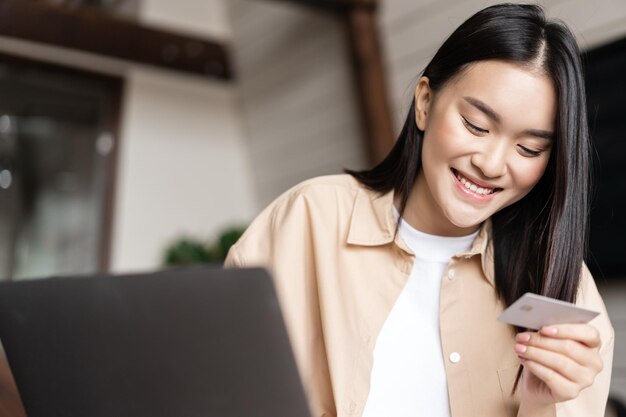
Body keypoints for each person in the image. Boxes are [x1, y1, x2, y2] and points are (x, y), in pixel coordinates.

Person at [224, 3, 614, 417]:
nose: (492, 164)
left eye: (529, 149)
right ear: (425, 103)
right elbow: (221, 385)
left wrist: (540, 402)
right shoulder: (308, 220)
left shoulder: (562, 281)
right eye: (476, 126)